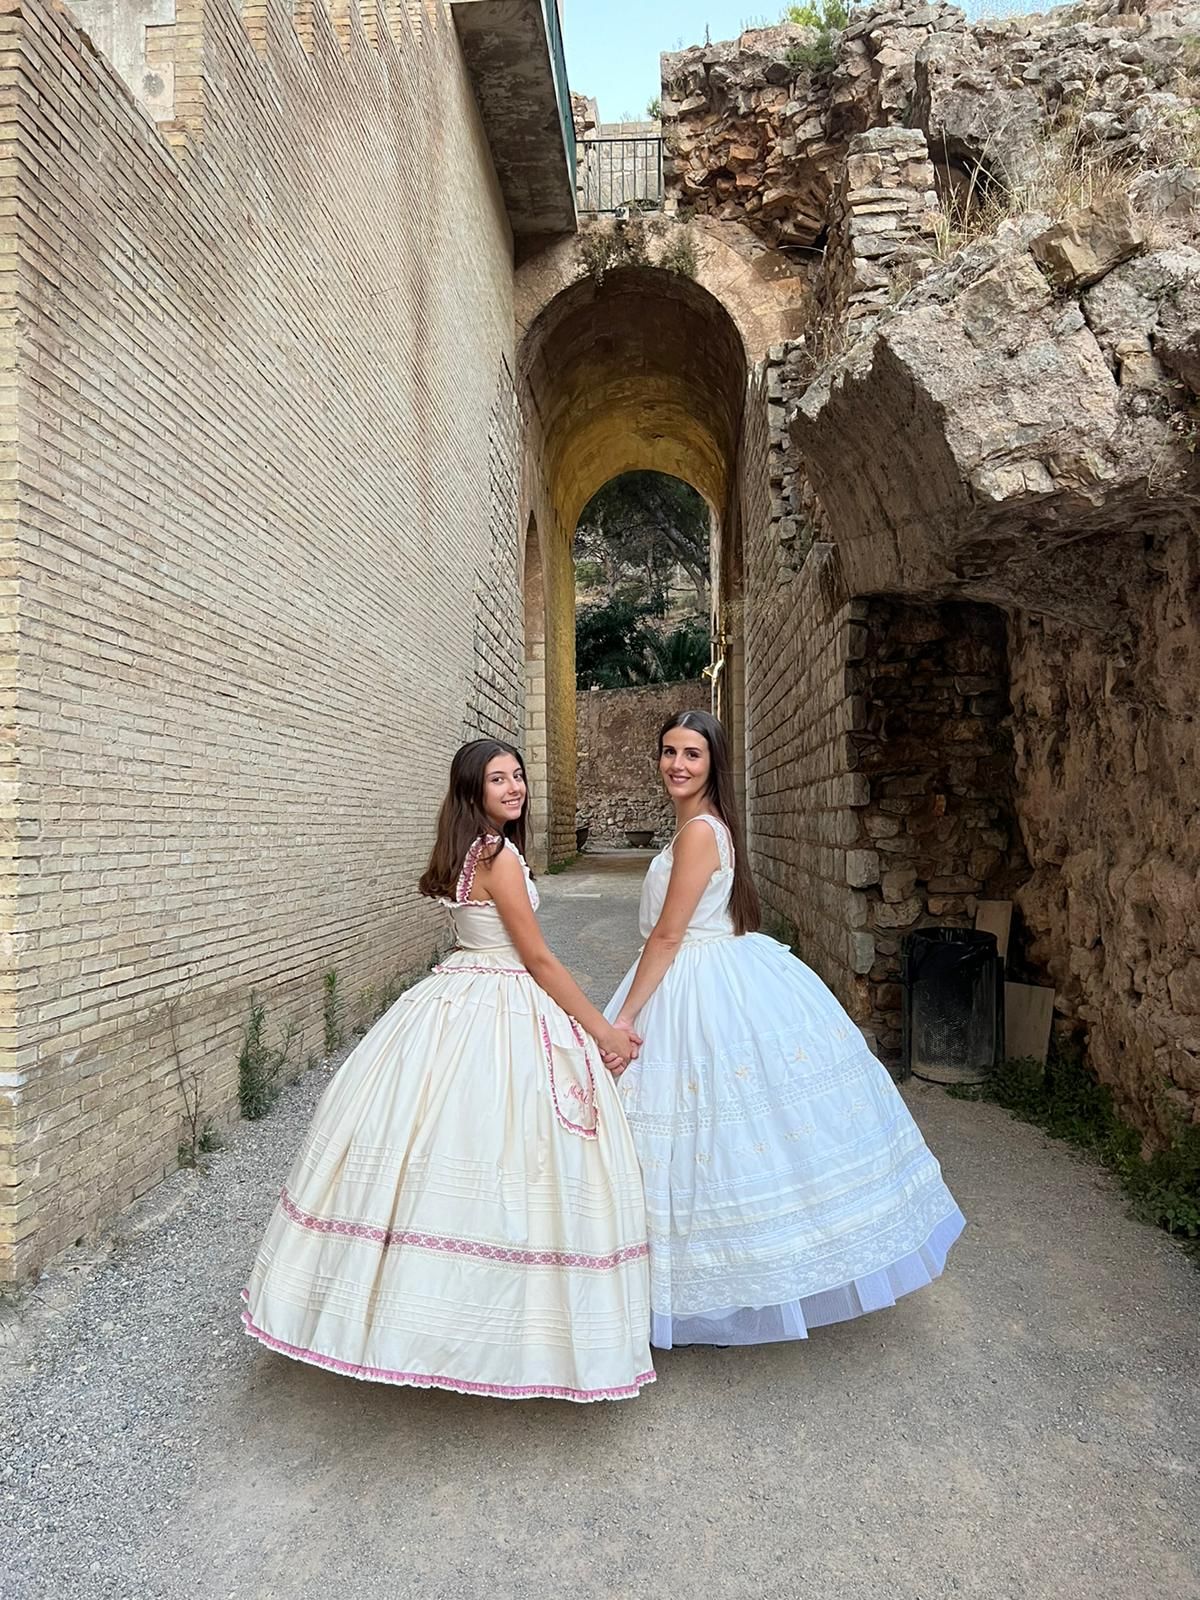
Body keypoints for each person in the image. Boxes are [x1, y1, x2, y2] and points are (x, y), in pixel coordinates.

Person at [242, 739, 655, 1402]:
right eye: (499, 779)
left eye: (518, 775)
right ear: (474, 791)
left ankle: (408, 1312)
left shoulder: (466, 851)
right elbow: (541, 963)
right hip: (499, 997)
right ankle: (496, 1330)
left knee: (430, 1141)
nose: (515, 787)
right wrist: (601, 1028)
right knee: (510, 1149)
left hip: (454, 992)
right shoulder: (497, 855)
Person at [604, 710, 964, 1350]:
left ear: (713, 761)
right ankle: (688, 1277)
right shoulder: (703, 826)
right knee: (703, 1130)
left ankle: (709, 1280)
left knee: (713, 1128)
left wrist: (625, 1016)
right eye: (668, 752)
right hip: (706, 972)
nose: (677, 764)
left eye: (691, 753)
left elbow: (668, 934)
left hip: (695, 980)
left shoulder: (699, 833)